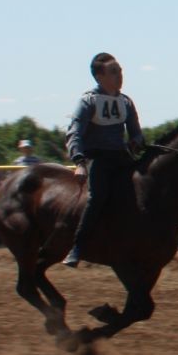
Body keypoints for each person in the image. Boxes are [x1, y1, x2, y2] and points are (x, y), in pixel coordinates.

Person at [64, 52, 145, 266]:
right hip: (96, 159)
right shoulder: (88, 101)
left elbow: (136, 132)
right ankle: (77, 247)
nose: (120, 76)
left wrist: (136, 141)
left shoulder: (126, 102)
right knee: (97, 197)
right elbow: (74, 133)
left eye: (120, 71)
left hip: (120, 157)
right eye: (114, 72)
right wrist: (79, 162)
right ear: (100, 77)